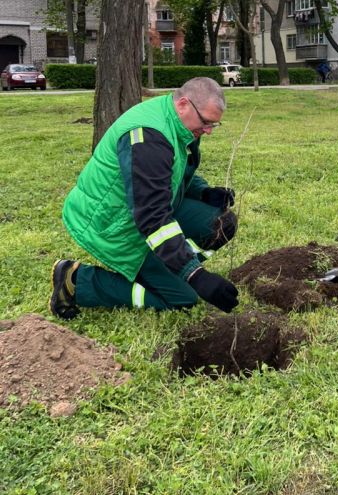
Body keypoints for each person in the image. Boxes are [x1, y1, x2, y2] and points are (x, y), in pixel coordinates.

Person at [50, 78, 239, 320]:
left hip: (141, 208)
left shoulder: (177, 121)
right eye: (206, 122)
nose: (209, 130)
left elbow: (171, 172)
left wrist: (203, 191)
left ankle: (169, 269)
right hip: (113, 224)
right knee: (183, 299)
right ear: (183, 104)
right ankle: (77, 280)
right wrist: (195, 276)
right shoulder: (149, 136)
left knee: (222, 223)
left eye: (214, 124)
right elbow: (151, 217)